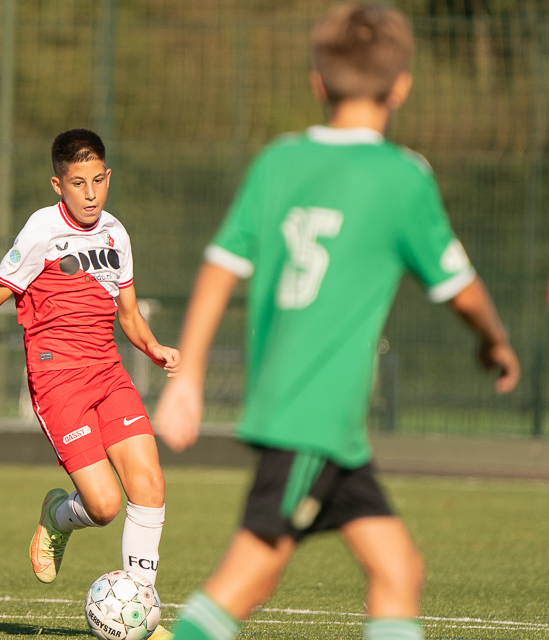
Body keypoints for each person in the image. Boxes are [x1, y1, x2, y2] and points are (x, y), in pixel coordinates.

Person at [152, 5, 521, 640]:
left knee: (397, 568)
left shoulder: (278, 162)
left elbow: (218, 269)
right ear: (401, 85)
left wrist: (186, 379)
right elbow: (462, 292)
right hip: (312, 418)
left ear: (317, 82)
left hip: (324, 427)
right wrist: (496, 341)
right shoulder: (403, 177)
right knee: (250, 578)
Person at [0, 129, 179, 635]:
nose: (91, 193)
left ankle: (143, 610)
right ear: (58, 184)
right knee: (105, 506)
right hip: (57, 379)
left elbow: (130, 314)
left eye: (98, 180)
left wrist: (153, 346)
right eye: (78, 183)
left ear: (108, 176)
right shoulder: (40, 233)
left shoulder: (117, 233)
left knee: (150, 483)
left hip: (108, 372)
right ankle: (57, 515)